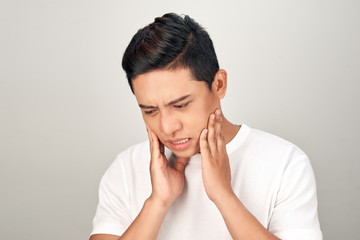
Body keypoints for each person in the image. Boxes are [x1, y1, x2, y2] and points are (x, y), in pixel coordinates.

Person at [89, 13, 322, 240]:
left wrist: (224, 195)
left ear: (219, 84)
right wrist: (157, 203)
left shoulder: (285, 163)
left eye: (180, 105)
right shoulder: (125, 168)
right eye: (150, 111)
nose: (167, 127)